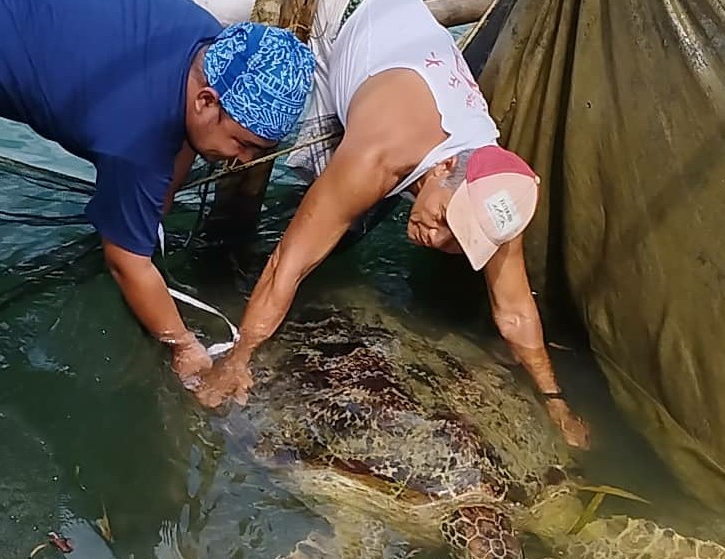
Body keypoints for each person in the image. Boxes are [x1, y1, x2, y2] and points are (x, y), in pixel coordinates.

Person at [0, 0, 315, 385]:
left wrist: (152, 209)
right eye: (243, 143)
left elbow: (174, 150)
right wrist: (186, 351)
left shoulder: (204, 39)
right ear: (206, 101)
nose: (244, 161)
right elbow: (126, 260)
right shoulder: (136, 135)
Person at [193, 0, 589, 448]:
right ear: (443, 168)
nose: (435, 238)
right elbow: (289, 263)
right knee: (314, 209)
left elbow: (515, 310)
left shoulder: (496, 195)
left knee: (346, 220)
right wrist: (239, 357)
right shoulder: (378, 157)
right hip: (337, 21)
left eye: (458, 240)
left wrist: (554, 400)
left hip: (397, 47)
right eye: (443, 219)